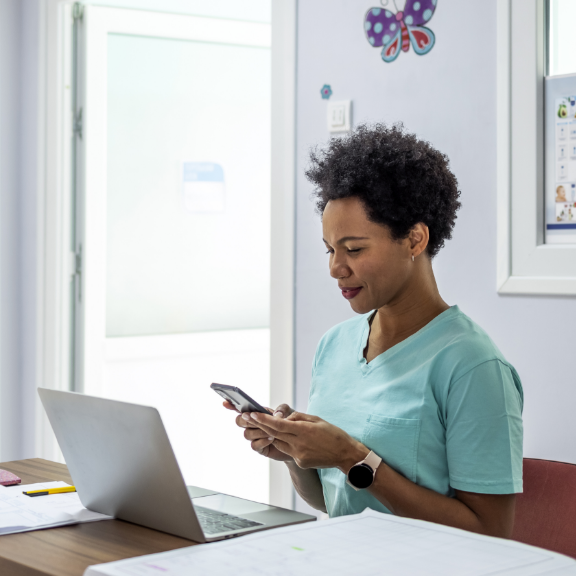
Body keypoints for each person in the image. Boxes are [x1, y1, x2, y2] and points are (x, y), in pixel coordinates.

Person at [223, 124, 523, 538]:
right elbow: (333, 501)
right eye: (330, 249)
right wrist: (294, 452)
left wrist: (352, 457)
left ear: (415, 239)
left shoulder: (472, 366)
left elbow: (490, 535)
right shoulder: (335, 345)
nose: (335, 268)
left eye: (354, 249)